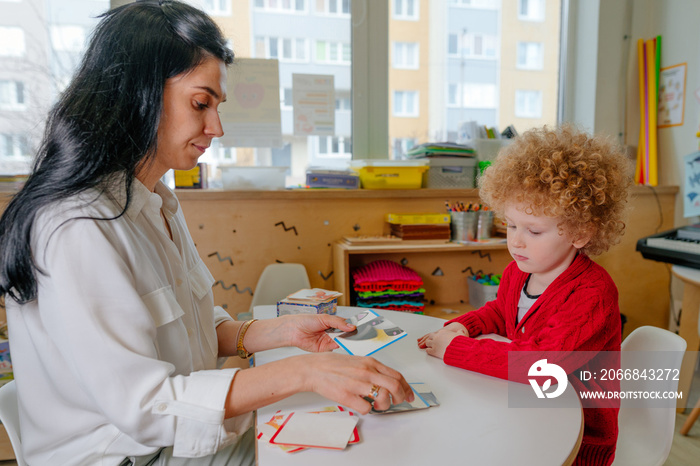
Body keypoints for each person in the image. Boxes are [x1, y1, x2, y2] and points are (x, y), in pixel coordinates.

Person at [0, 2, 413, 464]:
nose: (216, 127)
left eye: (216, 107)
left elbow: (187, 332)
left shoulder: (155, 200)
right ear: (136, 94)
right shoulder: (77, 226)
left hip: (168, 441)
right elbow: (147, 406)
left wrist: (282, 332)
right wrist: (306, 372)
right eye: (200, 104)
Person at [418, 125, 632, 466]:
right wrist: (465, 326)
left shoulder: (592, 294)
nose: (516, 241)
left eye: (533, 231)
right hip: (526, 409)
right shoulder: (519, 271)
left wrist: (455, 349)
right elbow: (503, 313)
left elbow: (538, 365)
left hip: (577, 438)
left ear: (580, 232)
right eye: (511, 225)